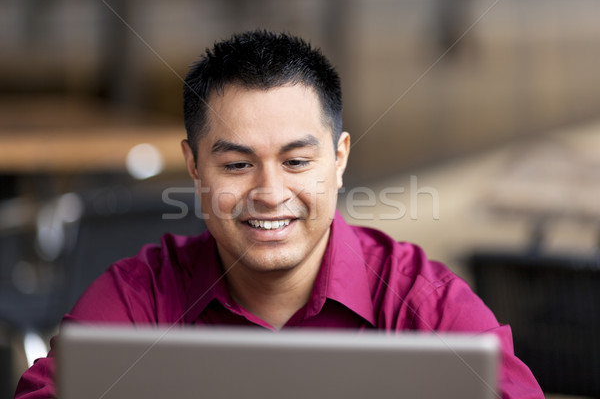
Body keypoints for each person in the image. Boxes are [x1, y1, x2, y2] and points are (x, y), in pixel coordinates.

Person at [15, 30, 543, 398]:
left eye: (296, 161)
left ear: (338, 161)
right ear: (195, 168)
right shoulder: (141, 299)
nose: (269, 192)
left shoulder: (419, 304)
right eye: (238, 164)